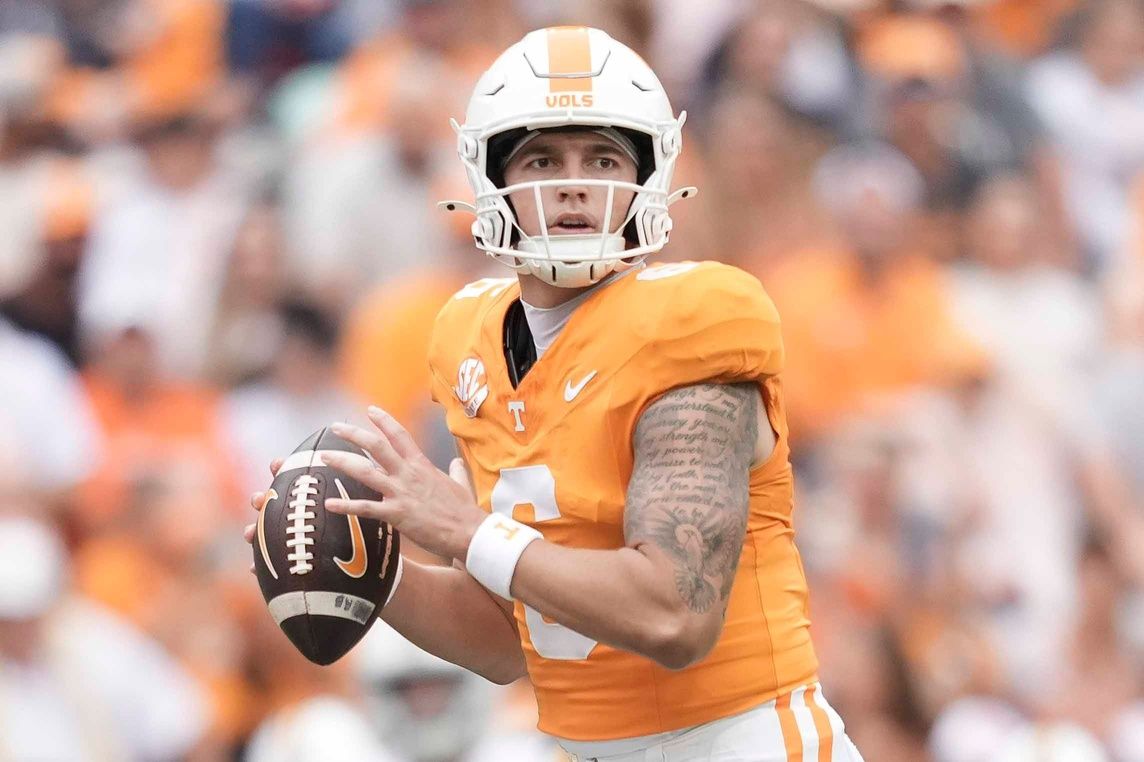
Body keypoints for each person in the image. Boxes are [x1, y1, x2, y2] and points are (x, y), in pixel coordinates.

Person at [246, 26, 863, 761]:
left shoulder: (693, 319)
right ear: (492, 181)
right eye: (543, 158)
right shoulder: (467, 338)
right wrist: (367, 572)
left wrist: (468, 533)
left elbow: (675, 614)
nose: (574, 183)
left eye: (602, 158)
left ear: (646, 180)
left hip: (742, 741)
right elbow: (510, 640)